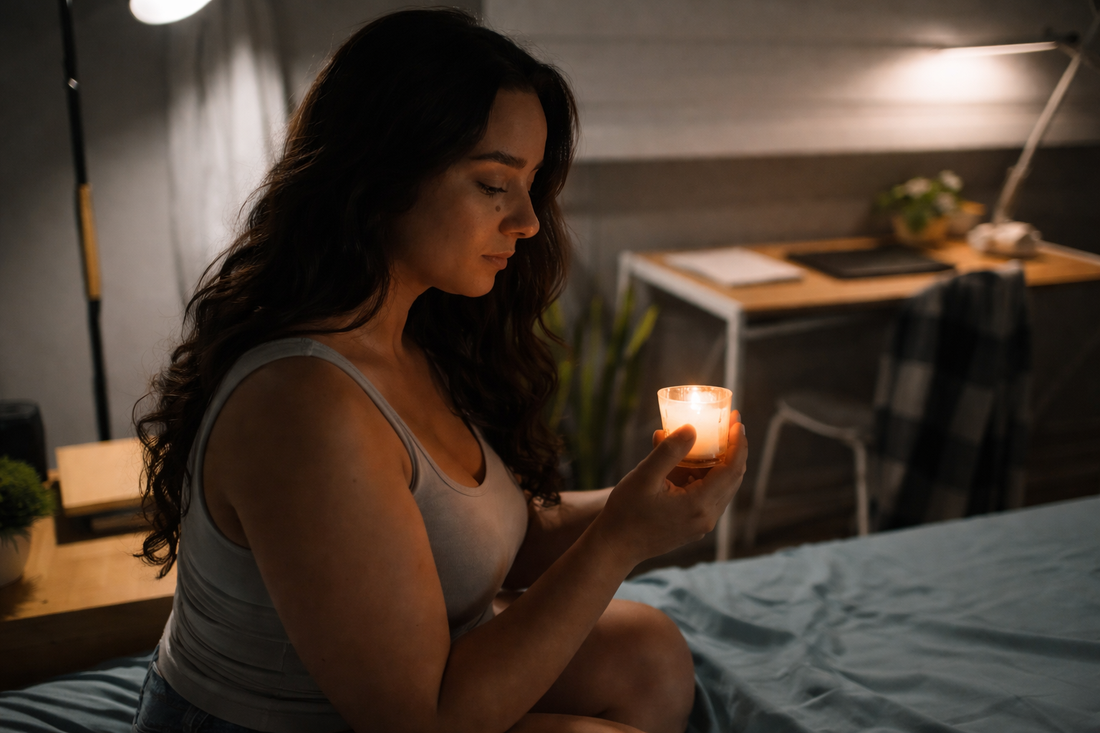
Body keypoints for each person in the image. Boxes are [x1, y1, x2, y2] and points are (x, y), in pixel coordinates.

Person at [133, 9, 747, 733]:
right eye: (495, 183)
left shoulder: (415, 335)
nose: (527, 222)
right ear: (382, 172)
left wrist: (639, 501)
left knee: (647, 651)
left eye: (532, 188)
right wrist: (619, 540)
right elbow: (419, 721)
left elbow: (489, 536)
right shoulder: (302, 405)